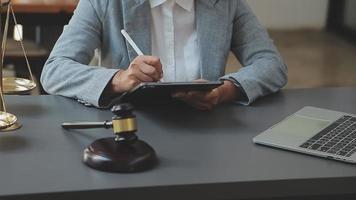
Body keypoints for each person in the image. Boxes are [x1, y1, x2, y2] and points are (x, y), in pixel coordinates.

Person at [41, 0, 287, 110]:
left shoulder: (225, 3)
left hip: (205, 128)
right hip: (129, 130)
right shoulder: (105, 2)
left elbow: (271, 64)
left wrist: (224, 91)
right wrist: (120, 79)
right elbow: (55, 70)